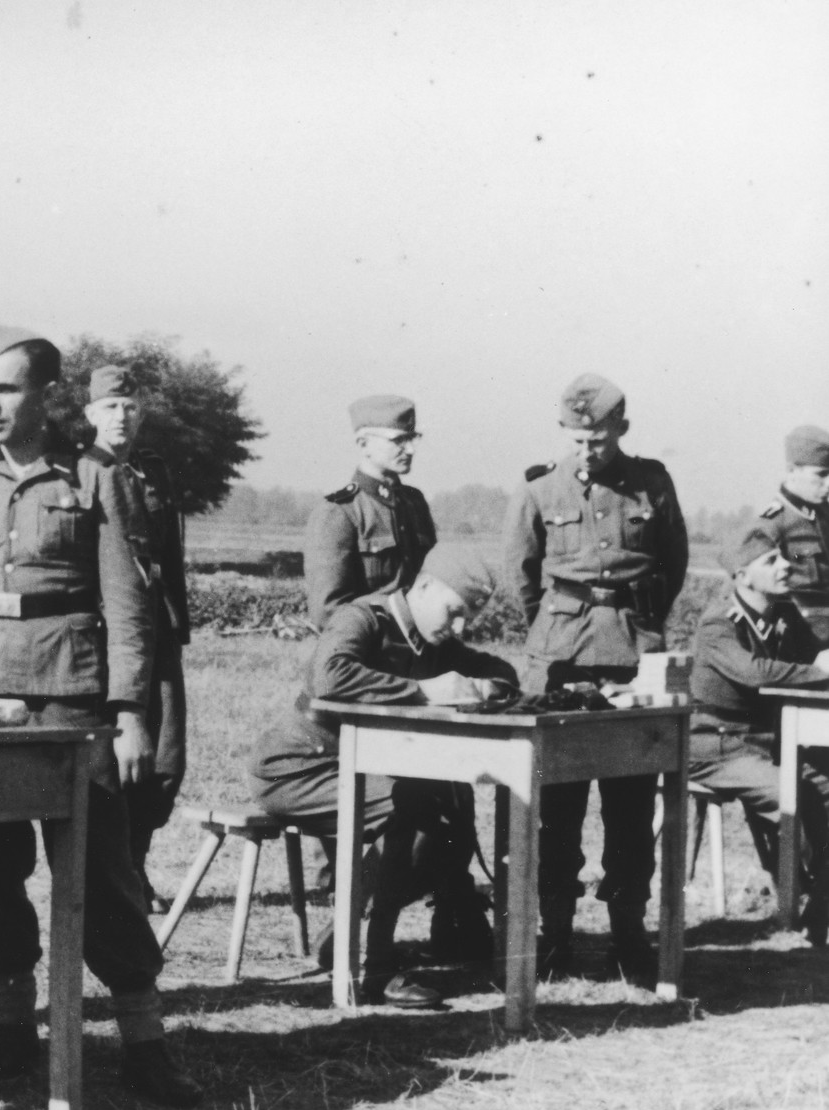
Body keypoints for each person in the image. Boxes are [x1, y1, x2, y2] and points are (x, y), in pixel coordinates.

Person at [0, 324, 202, 1107]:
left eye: (6, 389)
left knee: (103, 870)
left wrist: (131, 712)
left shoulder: (94, 476)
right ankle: (11, 1033)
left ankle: (143, 1039)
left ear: (46, 396)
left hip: (71, 697)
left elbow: (126, 606)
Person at [250, 544, 516, 1005]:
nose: (459, 628)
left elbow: (499, 669)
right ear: (426, 586)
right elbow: (330, 676)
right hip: (298, 767)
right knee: (416, 809)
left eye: (467, 618)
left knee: (450, 821)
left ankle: (354, 935)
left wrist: (489, 684)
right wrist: (422, 691)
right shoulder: (364, 618)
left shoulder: (435, 639)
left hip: (358, 770)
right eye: (454, 613)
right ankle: (376, 964)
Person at [504, 373, 689, 980]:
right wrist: (555, 629)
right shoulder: (538, 489)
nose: (588, 450)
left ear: (622, 431)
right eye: (578, 439)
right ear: (564, 432)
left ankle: (628, 935)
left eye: (600, 439)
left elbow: (674, 560)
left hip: (632, 655)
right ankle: (554, 933)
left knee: (631, 808)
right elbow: (522, 575)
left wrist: (639, 622)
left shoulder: (652, 482)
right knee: (557, 806)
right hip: (560, 656)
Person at [78, 364, 188, 915]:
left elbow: (169, 554)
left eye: (129, 406)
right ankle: (117, 876)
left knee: (165, 760)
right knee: (119, 758)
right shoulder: (82, 470)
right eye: (109, 406)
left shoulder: (152, 470)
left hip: (157, 626)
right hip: (109, 632)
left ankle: (136, 865)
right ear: (90, 415)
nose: (121, 416)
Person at [689, 526, 829, 944]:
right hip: (717, 745)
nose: (785, 566)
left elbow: (812, 651)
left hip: (769, 743)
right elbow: (755, 673)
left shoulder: (783, 614)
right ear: (742, 576)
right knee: (793, 794)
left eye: (783, 557)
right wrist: (821, 672)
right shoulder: (718, 623)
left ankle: (819, 907)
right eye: (771, 561)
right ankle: (802, 901)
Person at [304, 395, 436, 630]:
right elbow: (328, 612)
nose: (410, 449)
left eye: (413, 438)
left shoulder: (415, 503)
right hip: (368, 656)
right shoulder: (339, 512)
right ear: (363, 444)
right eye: (399, 440)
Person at [754, 425, 829, 642]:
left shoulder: (824, 517)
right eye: (821, 474)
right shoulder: (771, 525)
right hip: (801, 641)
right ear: (792, 471)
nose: (828, 484)